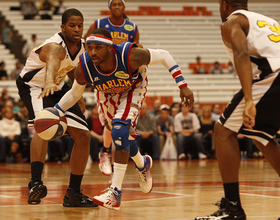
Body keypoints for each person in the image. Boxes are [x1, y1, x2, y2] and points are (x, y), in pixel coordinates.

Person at [54, 28, 194, 210]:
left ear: (110, 48)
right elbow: (74, 94)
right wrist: (56, 112)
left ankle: (115, 192)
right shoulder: (84, 67)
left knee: (119, 130)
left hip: (133, 88)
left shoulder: (131, 55)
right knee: (121, 134)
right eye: (89, 47)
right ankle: (143, 164)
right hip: (107, 92)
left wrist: (182, 85)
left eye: (98, 47)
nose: (93, 52)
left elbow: (164, 55)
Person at [195, 0, 280, 219]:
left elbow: (241, 54)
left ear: (224, 4)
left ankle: (232, 207)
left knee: (223, 131)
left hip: (273, 76)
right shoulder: (267, 21)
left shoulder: (232, 21)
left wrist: (250, 100)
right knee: (261, 136)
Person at [16, 9, 97, 207]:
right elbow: (54, 60)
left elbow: (72, 69)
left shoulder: (83, 47)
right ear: (62, 27)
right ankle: (35, 183)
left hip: (59, 87)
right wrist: (50, 81)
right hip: (34, 86)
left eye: (80, 25)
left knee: (83, 135)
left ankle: (73, 193)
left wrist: (77, 94)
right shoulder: (55, 45)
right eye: (72, 26)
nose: (77, 29)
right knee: (43, 126)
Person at [84, 0, 143, 178]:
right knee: (111, 124)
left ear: (124, 7)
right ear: (110, 7)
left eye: (120, 4)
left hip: (124, 79)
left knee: (123, 126)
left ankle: (120, 175)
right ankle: (105, 151)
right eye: (114, 4)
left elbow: (136, 49)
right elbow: (86, 43)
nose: (117, 7)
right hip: (104, 77)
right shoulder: (99, 24)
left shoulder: (132, 27)